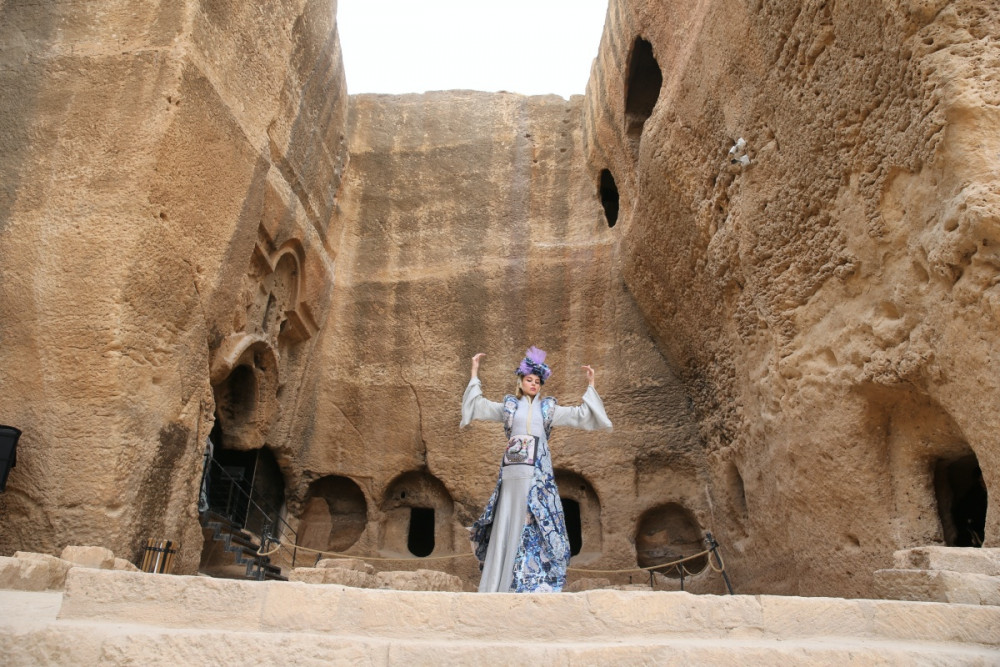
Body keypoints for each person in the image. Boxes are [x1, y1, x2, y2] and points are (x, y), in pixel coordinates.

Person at [461, 346, 612, 592]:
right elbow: (478, 406)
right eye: (529, 380)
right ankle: (497, 584)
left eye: (537, 381)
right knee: (508, 519)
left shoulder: (548, 409)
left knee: (537, 522)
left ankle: (530, 582)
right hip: (512, 474)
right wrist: (474, 372)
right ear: (520, 382)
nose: (534, 384)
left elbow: (581, 415)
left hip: (538, 475)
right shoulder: (509, 406)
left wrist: (591, 386)